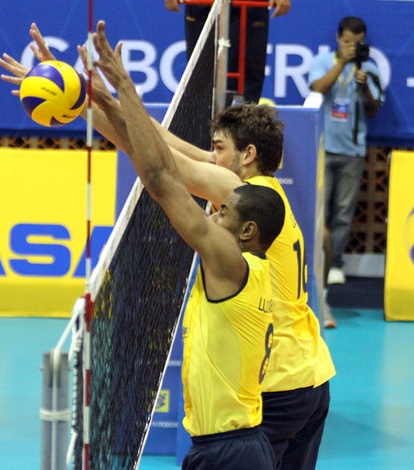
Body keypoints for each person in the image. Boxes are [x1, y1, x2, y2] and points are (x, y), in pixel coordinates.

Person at [0, 23, 334, 469]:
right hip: (310, 373)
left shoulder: (238, 188)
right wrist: (84, 97)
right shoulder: (263, 197)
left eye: (218, 148)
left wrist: (86, 102)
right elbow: (166, 143)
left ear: (247, 155)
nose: (210, 156)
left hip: (274, 384)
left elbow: (161, 167)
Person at [89, 20, 285, 469]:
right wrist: (93, 101)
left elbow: (160, 178)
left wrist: (125, 87)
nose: (213, 212)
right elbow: (161, 159)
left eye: (223, 211)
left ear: (247, 231)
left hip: (230, 452)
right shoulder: (253, 267)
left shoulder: (228, 261)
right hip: (231, 446)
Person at [309, 16, 382, 288]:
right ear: (338, 38)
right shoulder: (323, 62)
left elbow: (375, 110)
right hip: (323, 147)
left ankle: (335, 263)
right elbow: (317, 88)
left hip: (353, 151)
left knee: (342, 212)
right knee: (319, 209)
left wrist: (365, 89)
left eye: (358, 42)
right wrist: (342, 63)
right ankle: (314, 260)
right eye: (348, 41)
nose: (353, 46)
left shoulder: (370, 68)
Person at [165, 0, 291, 104]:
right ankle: (200, 130)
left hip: (250, 6)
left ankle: (243, 130)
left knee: (250, 76)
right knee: (200, 75)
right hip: (203, 6)